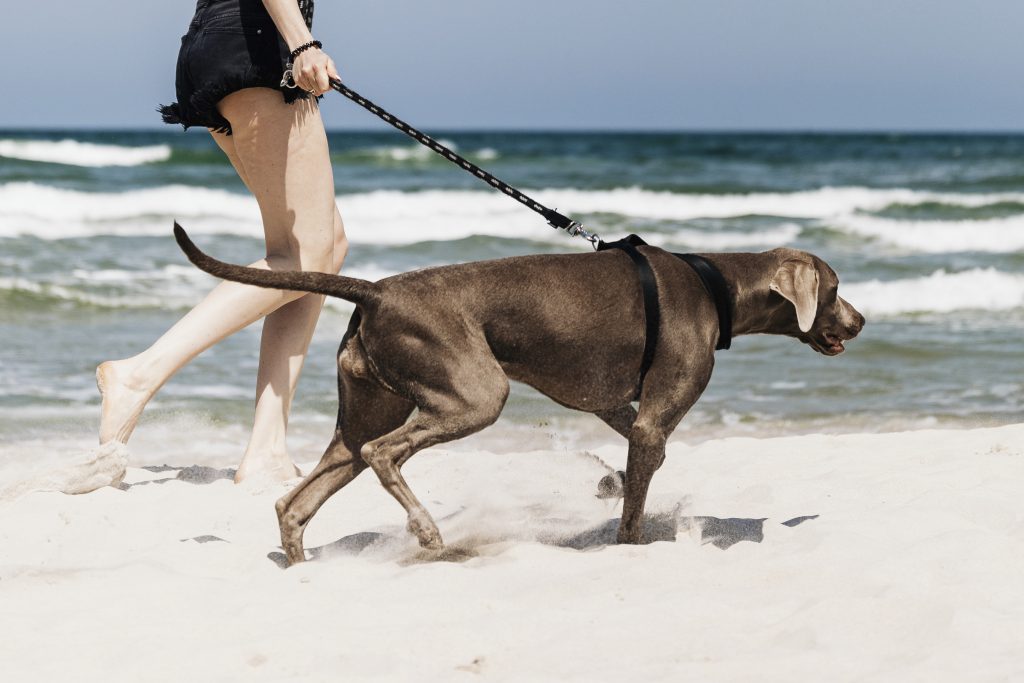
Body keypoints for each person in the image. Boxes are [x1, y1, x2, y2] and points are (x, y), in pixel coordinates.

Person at [96, 0, 346, 483]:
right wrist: (303, 41)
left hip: (225, 45)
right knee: (305, 255)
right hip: (256, 48)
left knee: (324, 246)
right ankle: (138, 375)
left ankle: (268, 448)